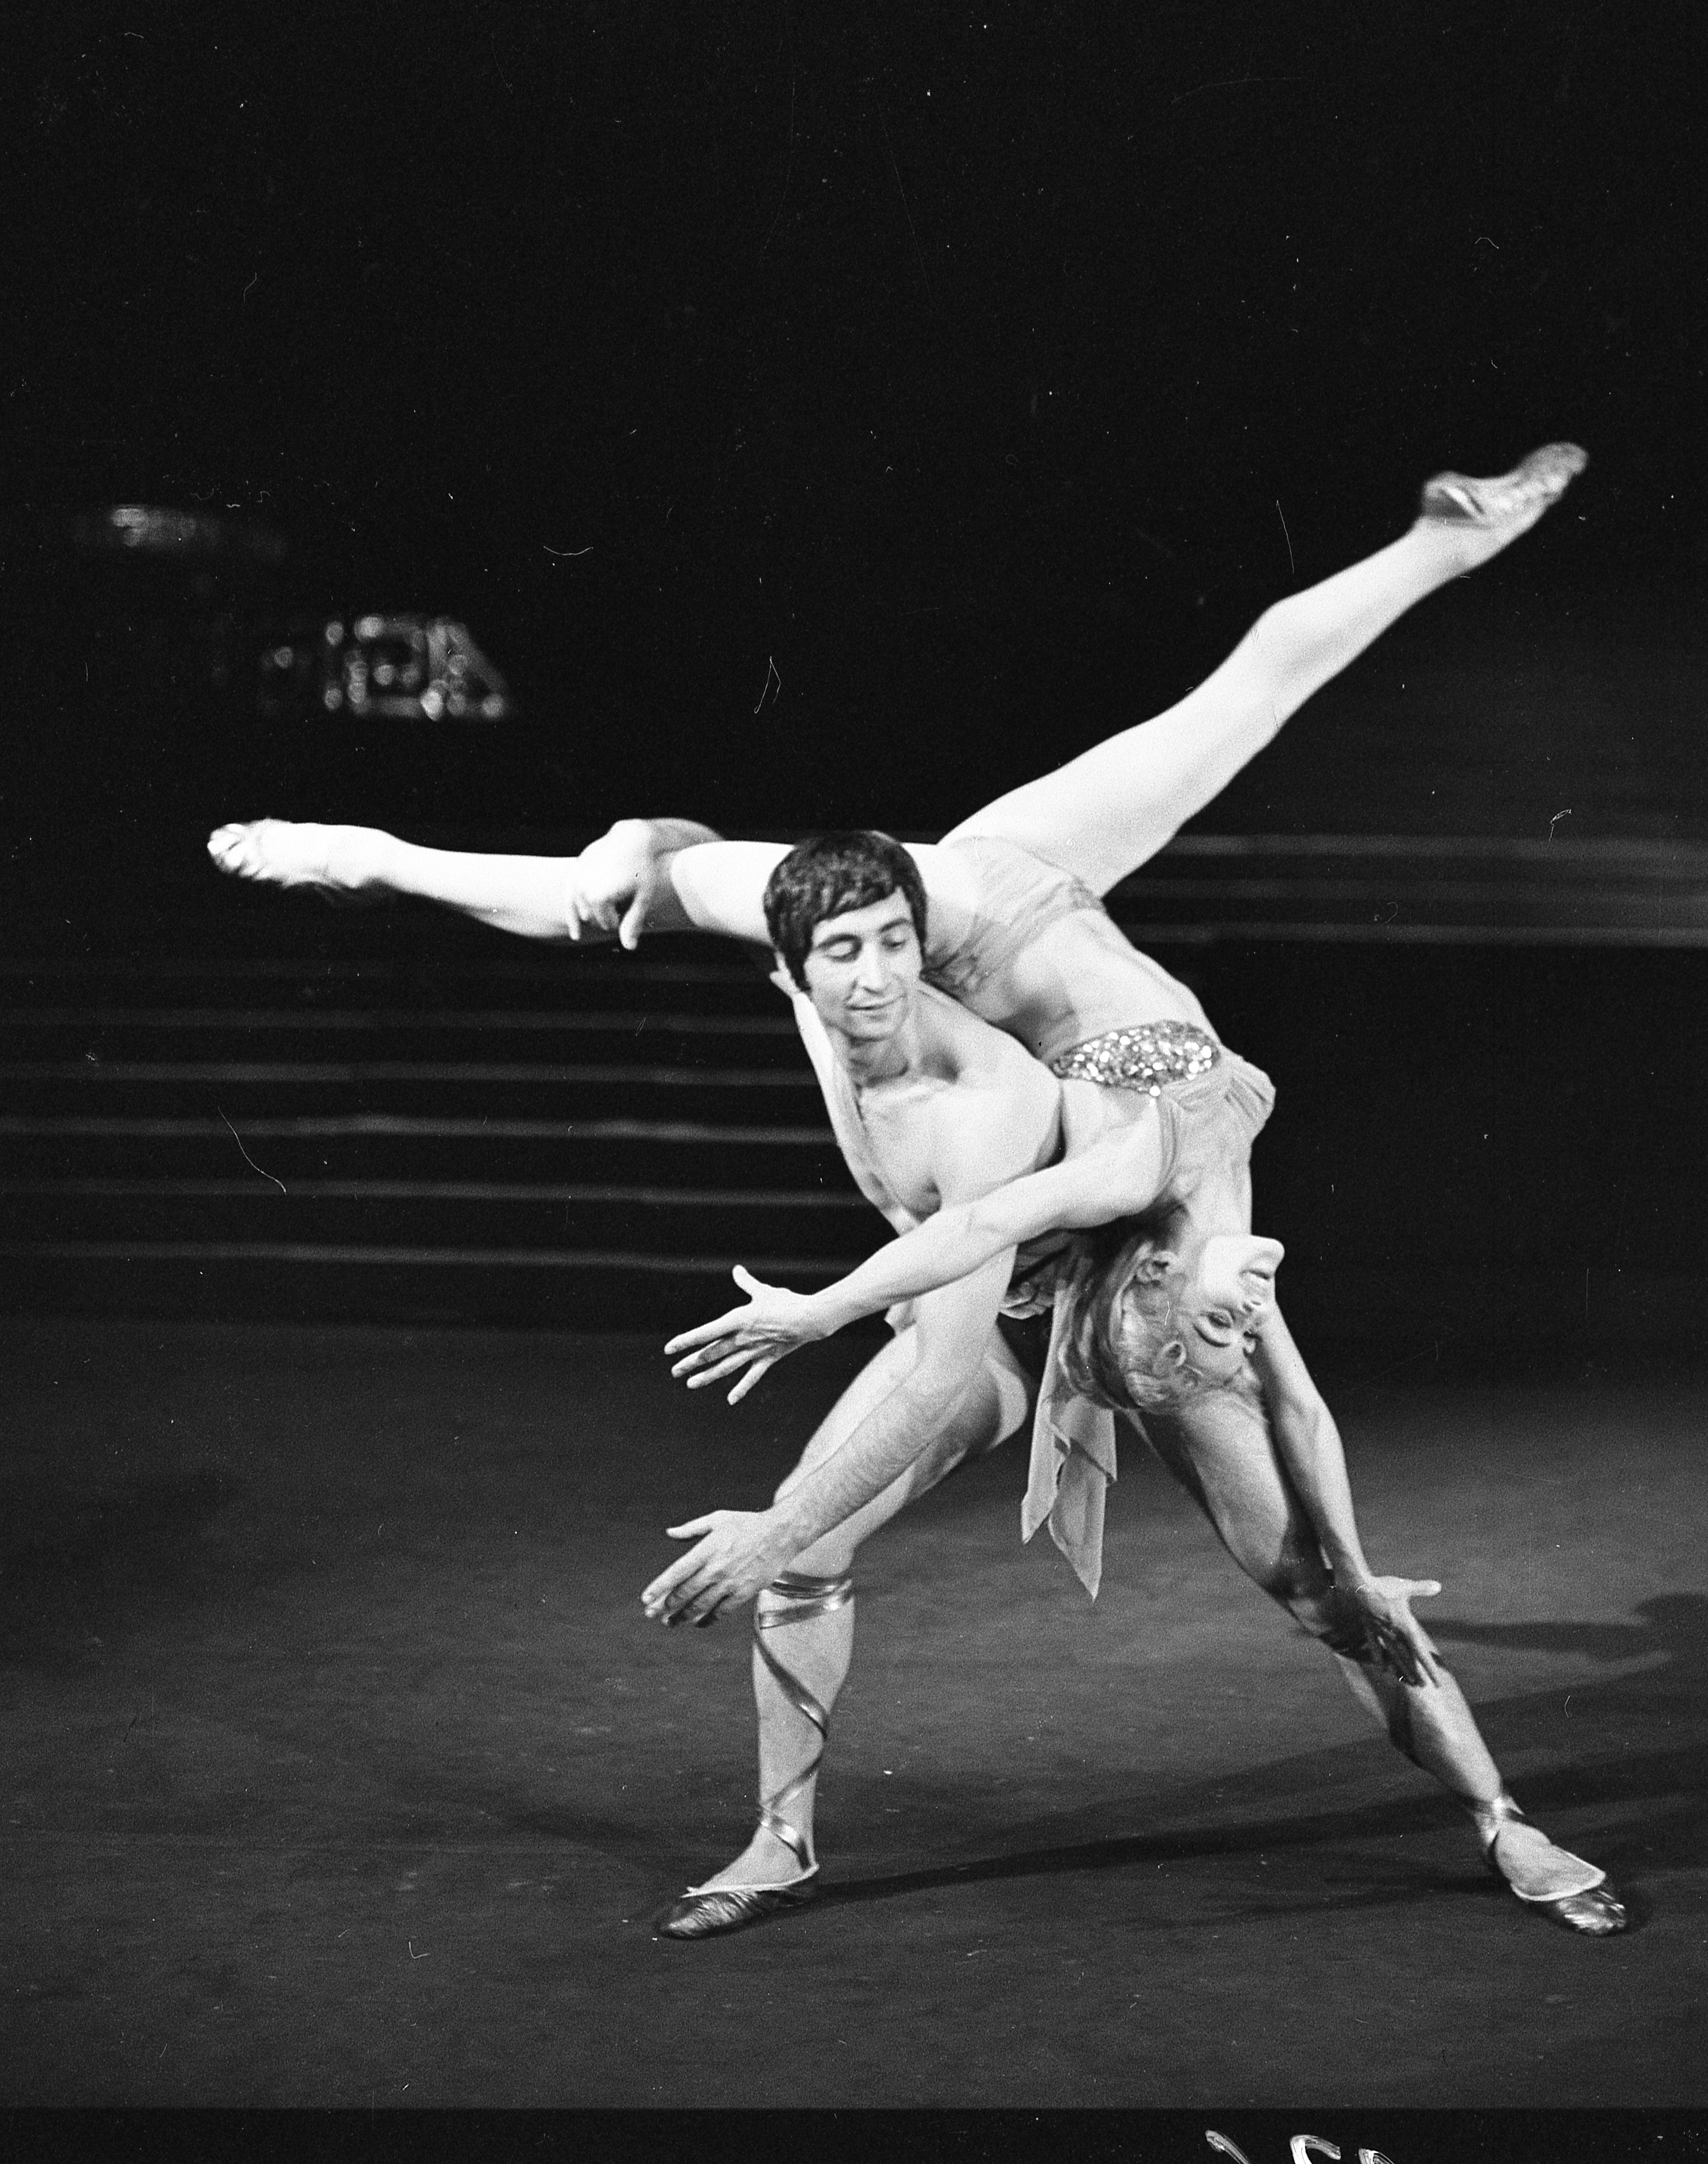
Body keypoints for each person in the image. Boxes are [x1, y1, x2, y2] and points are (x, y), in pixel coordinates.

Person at [209, 441, 1624, 1933]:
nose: (868, 981)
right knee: (615, 885)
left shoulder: (1024, 1131)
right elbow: (651, 903)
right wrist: (543, 848)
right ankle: (779, 1840)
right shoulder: (900, 968)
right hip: (1005, 903)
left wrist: (1343, 1560)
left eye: (883, 951)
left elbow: (1004, 1313)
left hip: (1066, 1028)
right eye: (837, 957)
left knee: (1282, 1561)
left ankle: (1501, 1821)